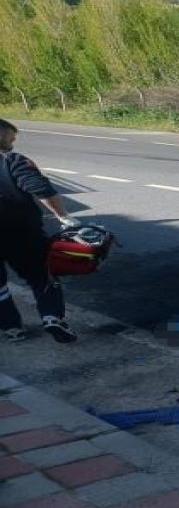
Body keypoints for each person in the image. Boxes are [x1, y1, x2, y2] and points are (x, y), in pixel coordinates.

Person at [0, 118, 80, 343]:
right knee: (42, 275)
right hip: (21, 232)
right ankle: (52, 317)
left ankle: (12, 328)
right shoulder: (13, 160)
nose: (12, 144)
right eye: (10, 138)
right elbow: (41, 190)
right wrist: (63, 217)